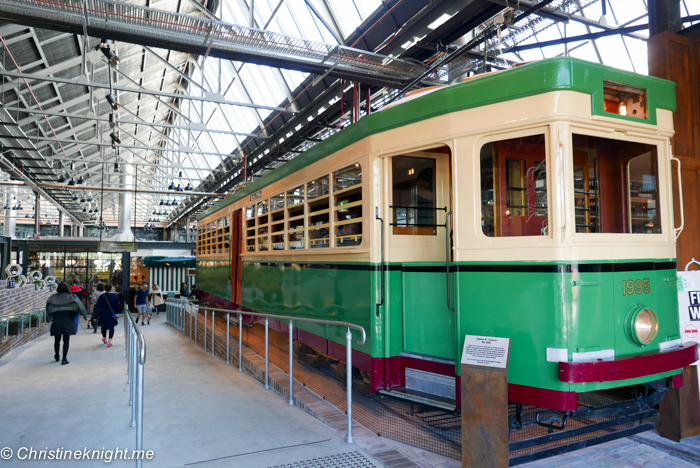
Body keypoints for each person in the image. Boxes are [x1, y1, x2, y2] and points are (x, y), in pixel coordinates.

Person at [46, 281, 87, 365]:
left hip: (57, 320)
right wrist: (79, 316)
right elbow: (80, 307)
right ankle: (64, 359)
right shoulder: (72, 297)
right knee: (66, 340)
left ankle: (57, 355)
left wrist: (52, 319)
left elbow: (47, 310)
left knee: (57, 340)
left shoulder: (52, 298)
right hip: (68, 320)